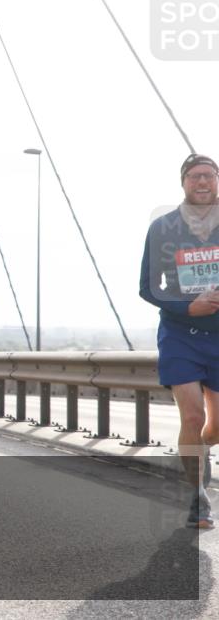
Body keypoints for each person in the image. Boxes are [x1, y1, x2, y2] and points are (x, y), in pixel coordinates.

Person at [139, 153, 219, 529]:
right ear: (183, 183)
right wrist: (189, 308)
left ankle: (196, 454)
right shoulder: (163, 228)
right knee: (192, 415)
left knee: (214, 429)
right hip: (179, 334)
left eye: (209, 176)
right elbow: (147, 287)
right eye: (195, 176)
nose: (202, 182)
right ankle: (196, 497)